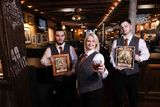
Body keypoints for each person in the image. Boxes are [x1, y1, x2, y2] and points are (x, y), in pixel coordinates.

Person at [110, 19, 150, 107]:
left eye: (126, 26)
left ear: (131, 26)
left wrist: (138, 58)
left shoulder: (139, 41)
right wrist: (115, 65)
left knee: (133, 98)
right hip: (119, 73)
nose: (124, 29)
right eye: (122, 27)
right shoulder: (116, 41)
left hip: (133, 74)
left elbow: (146, 54)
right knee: (117, 98)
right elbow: (111, 56)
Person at [40, 29, 78, 107]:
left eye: (62, 35)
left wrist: (72, 71)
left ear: (64, 36)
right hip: (56, 80)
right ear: (55, 36)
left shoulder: (70, 48)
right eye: (58, 35)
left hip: (69, 79)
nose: (60, 38)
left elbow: (75, 61)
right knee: (58, 100)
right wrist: (52, 62)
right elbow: (42, 61)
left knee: (69, 100)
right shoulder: (49, 49)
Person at [75, 33, 109, 107]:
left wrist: (103, 70)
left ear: (96, 43)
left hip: (94, 92)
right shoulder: (82, 55)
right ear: (85, 42)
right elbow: (78, 74)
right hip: (82, 91)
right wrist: (78, 87)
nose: (90, 43)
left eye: (93, 41)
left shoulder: (98, 56)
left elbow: (103, 75)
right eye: (88, 41)